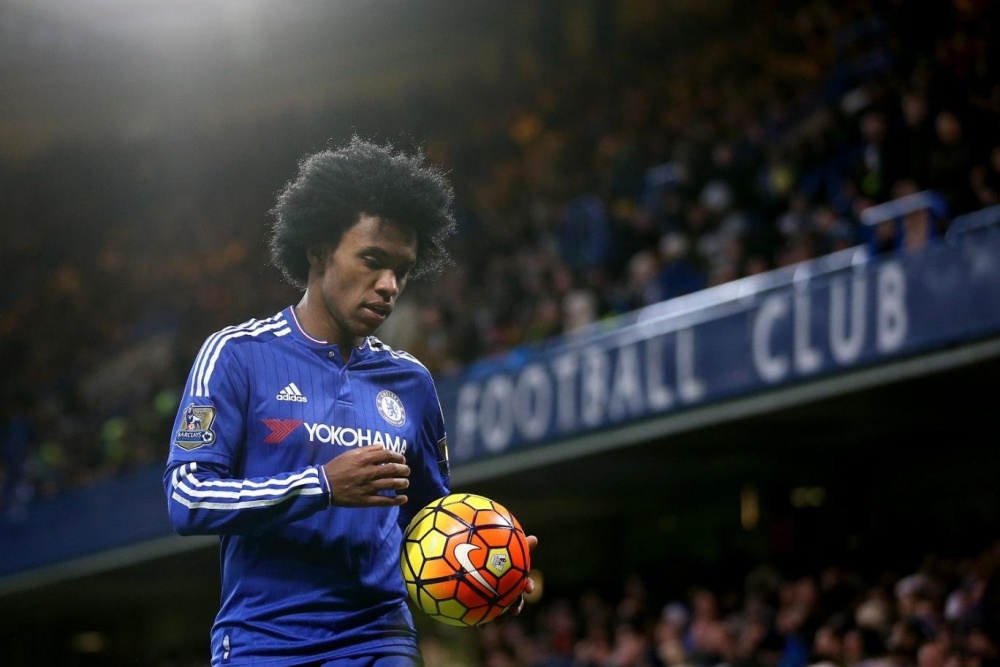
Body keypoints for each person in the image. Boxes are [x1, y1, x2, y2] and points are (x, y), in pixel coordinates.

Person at [163, 136, 537, 666]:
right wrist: (321, 486)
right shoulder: (236, 355)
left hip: (379, 638)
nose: (389, 285)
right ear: (318, 249)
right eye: (372, 260)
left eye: (402, 270)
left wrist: (486, 566)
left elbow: (429, 522)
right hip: (263, 642)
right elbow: (188, 498)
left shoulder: (411, 382)